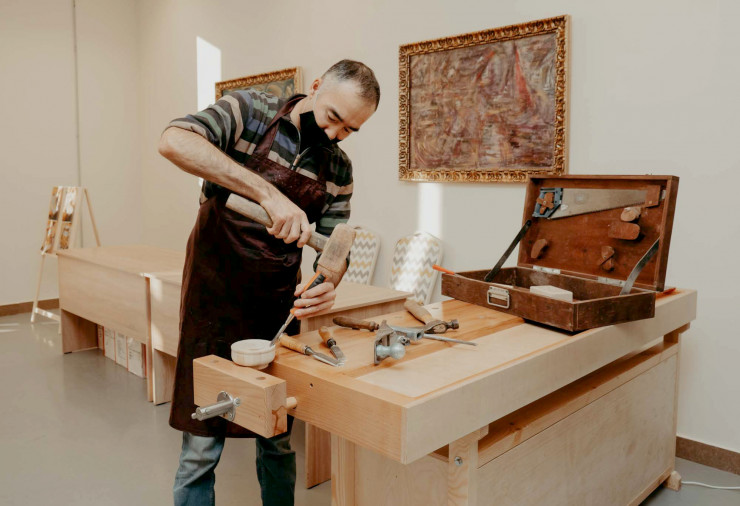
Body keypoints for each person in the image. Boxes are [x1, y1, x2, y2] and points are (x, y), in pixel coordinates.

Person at [158, 60, 380, 506]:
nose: (335, 134)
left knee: (276, 436)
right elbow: (173, 140)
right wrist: (267, 193)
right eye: (333, 117)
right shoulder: (251, 111)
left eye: (349, 130)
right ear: (315, 87)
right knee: (202, 441)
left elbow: (334, 252)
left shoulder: (339, 171)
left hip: (274, 311)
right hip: (211, 299)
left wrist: (325, 284)